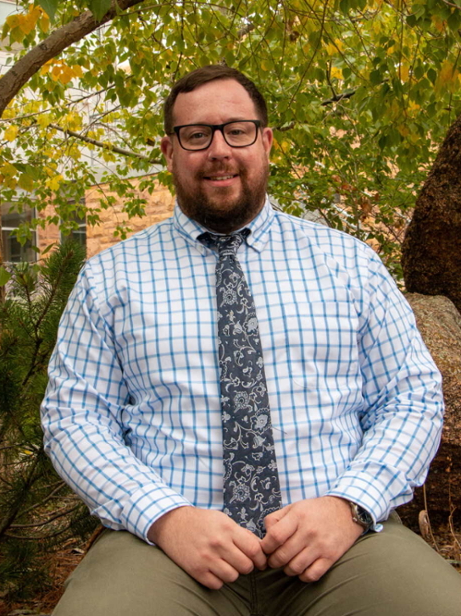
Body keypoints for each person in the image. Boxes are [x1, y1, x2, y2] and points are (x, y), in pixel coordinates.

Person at [41, 65, 461, 615]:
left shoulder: (349, 264)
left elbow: (412, 396)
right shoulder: (110, 278)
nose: (219, 149)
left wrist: (351, 504)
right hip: (166, 550)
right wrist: (163, 516)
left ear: (266, 142)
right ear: (169, 151)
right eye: (197, 135)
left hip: (343, 542)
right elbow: (74, 417)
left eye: (237, 130)